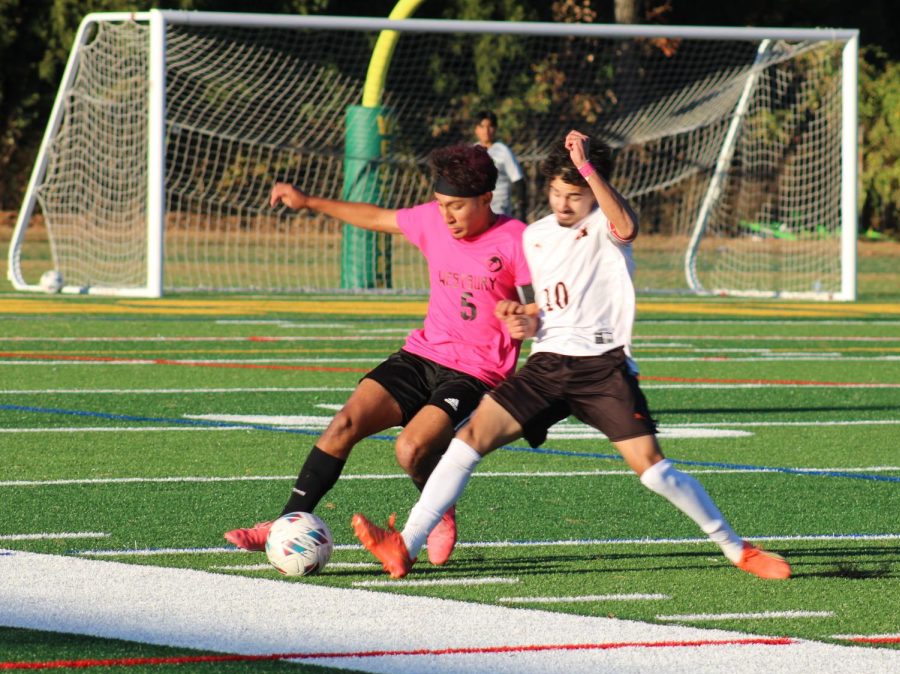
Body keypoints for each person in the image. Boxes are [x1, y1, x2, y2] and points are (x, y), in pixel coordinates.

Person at [351, 130, 791, 581]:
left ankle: (738, 550)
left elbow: (628, 226)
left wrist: (588, 170)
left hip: (602, 368)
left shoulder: (607, 225)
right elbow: (546, 307)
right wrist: (522, 317)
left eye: (574, 194)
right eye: (557, 193)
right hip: (547, 365)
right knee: (467, 444)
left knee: (654, 471)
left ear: (593, 188)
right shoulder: (537, 235)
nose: (563, 204)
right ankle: (405, 545)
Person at [223, 144, 533, 568]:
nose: (446, 216)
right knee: (343, 423)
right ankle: (281, 525)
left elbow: (547, 302)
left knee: (410, 449)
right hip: (421, 356)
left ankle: (437, 508)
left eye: (457, 207)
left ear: (485, 199)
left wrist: (527, 317)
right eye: (441, 204)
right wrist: (308, 200)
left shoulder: (517, 239)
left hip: (476, 374)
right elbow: (374, 217)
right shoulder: (432, 220)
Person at [475, 111, 525, 219]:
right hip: (477, 209)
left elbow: (518, 180)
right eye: (482, 126)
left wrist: (522, 210)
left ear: (495, 129)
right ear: (476, 129)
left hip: (499, 210)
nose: (486, 131)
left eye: (490, 126)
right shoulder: (472, 151)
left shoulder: (503, 151)